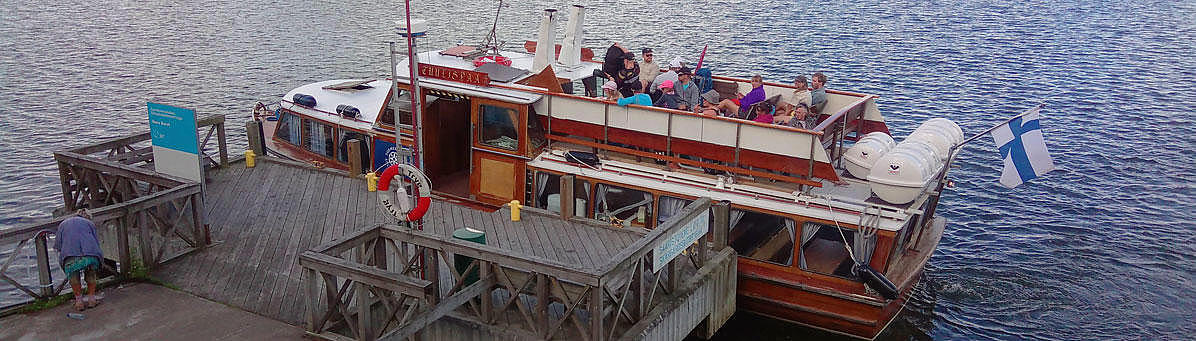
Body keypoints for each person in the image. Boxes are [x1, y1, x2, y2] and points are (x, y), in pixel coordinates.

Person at [54, 209, 104, 311]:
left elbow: (58, 245)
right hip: (90, 254)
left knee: (73, 276)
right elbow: (95, 241)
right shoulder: (90, 223)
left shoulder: (63, 224)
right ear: (88, 217)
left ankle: (79, 302)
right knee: (91, 273)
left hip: (70, 255)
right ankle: (91, 299)